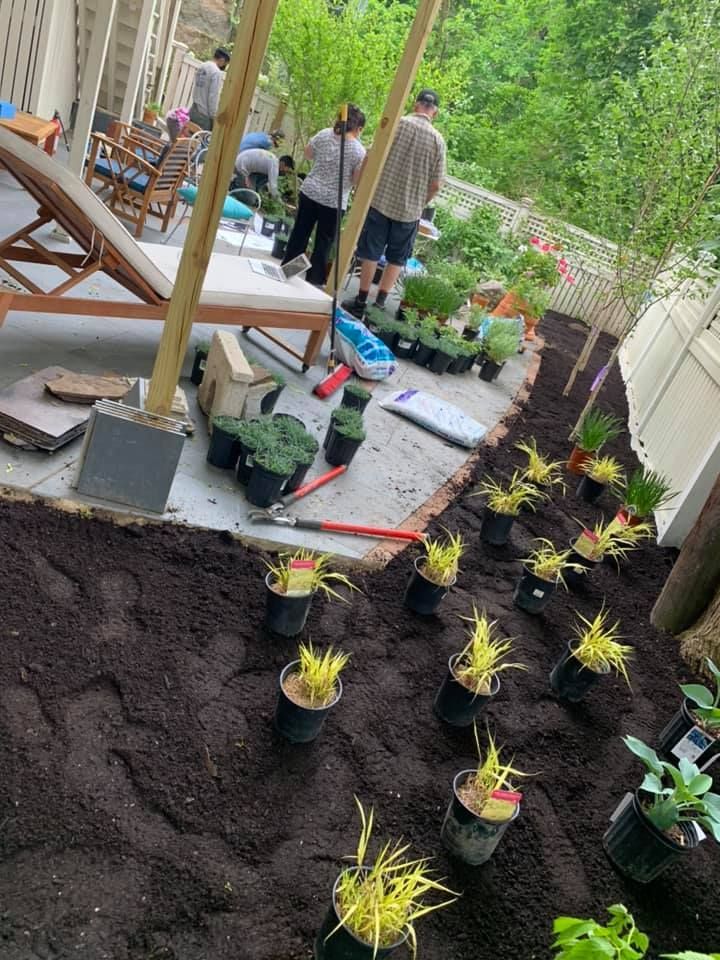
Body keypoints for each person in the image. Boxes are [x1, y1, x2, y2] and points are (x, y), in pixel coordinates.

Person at [342, 89, 446, 317]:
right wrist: (421, 202)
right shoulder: (438, 141)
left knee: (370, 252)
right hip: (409, 211)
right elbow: (437, 184)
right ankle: (379, 303)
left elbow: (371, 155)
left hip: (379, 201)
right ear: (434, 112)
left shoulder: (396, 124)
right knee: (397, 258)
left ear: (415, 103)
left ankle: (360, 300)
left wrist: (361, 187)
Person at [282, 105, 366, 286]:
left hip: (310, 191)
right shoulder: (359, 151)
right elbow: (356, 180)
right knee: (323, 243)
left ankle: (289, 273)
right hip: (333, 203)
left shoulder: (324, 134)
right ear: (358, 128)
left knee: (300, 233)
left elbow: (308, 154)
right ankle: (313, 281)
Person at [189, 48, 230, 131]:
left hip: (194, 109)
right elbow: (213, 97)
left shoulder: (203, 66)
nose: (224, 66)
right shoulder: (216, 72)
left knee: (189, 140)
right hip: (203, 115)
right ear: (222, 60)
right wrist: (213, 117)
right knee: (202, 142)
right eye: (225, 64)